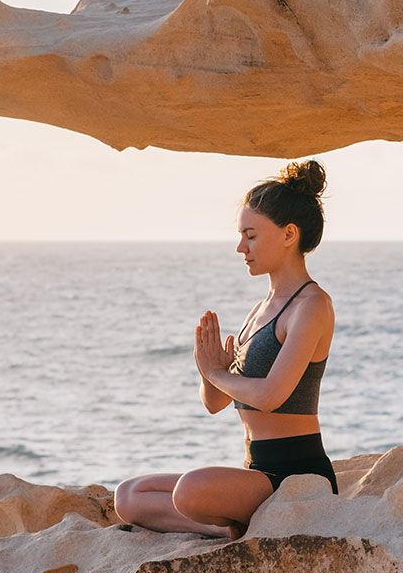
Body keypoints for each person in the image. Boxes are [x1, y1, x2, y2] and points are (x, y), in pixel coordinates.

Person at [114, 160, 337, 537]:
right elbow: (215, 403)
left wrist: (218, 372)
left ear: (288, 235)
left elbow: (269, 395)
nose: (240, 247)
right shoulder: (260, 309)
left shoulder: (311, 305)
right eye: (241, 235)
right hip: (256, 471)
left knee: (191, 490)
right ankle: (230, 528)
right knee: (129, 495)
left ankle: (233, 525)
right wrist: (209, 371)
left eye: (250, 235)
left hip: (297, 478)